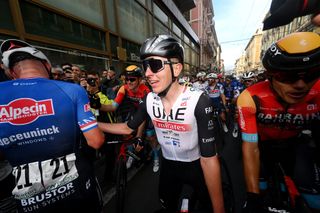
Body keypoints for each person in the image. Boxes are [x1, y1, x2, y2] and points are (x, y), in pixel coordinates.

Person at [99, 34, 225, 212]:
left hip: (195, 167)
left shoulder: (198, 100)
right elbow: (128, 127)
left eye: (155, 65)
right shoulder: (149, 99)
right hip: (169, 168)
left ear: (177, 68)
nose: (148, 73)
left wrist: (219, 209)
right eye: (145, 66)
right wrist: (92, 125)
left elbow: (209, 159)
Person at [0, 39, 105, 212]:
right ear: (47, 66)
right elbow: (95, 141)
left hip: (29, 200)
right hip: (76, 189)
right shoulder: (72, 90)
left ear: (12, 72)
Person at [237, 32, 320, 212]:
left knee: (313, 198)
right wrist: (253, 196)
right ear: (271, 76)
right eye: (288, 76)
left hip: (296, 144)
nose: (300, 85)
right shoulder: (250, 97)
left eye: (311, 75)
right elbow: (250, 147)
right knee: (260, 189)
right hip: (262, 145)